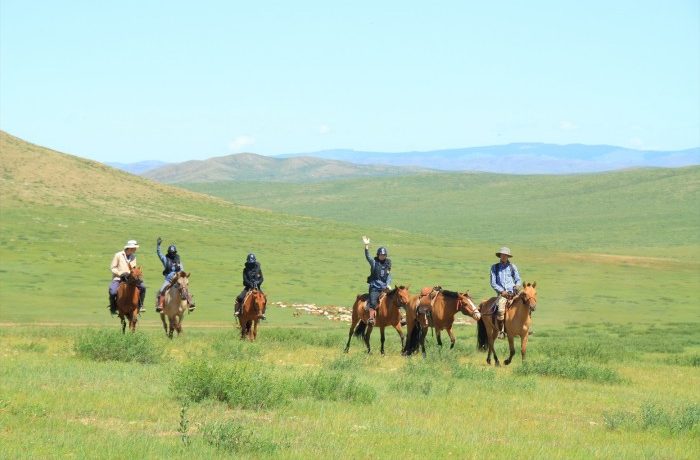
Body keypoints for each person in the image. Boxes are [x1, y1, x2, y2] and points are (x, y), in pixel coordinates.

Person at [155, 237, 195, 312]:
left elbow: (182, 269)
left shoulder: (178, 260)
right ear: (168, 252)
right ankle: (160, 305)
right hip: (169, 280)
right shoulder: (165, 259)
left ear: (175, 253)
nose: (172, 254)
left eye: (173, 253)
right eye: (171, 253)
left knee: (184, 287)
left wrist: (183, 276)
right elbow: (159, 254)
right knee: (161, 290)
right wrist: (158, 246)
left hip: (177, 279)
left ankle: (190, 303)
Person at [490, 246, 522, 338]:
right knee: (500, 310)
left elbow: (517, 279)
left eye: (505, 255)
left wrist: (517, 286)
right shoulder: (494, 268)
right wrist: (501, 291)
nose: (503, 256)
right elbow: (493, 283)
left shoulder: (512, 267)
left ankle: (526, 328)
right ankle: (502, 331)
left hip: (513, 292)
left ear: (508, 256)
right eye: (502, 255)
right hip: (502, 294)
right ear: (500, 256)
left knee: (526, 302)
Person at [108, 240, 146, 314]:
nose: (135, 250)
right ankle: (113, 308)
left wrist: (135, 274)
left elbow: (133, 269)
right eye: (135, 248)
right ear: (130, 248)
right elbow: (113, 268)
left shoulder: (133, 257)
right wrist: (120, 273)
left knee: (143, 287)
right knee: (112, 291)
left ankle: (140, 305)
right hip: (118, 278)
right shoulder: (118, 255)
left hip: (130, 279)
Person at [362, 235, 392, 325]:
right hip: (374, 287)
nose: (382, 256)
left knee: (395, 299)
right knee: (373, 302)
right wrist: (366, 246)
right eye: (381, 255)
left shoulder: (388, 264)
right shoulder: (374, 262)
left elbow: (389, 275)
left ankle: (399, 317)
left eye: (384, 255)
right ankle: (371, 318)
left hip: (384, 287)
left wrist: (388, 284)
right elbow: (368, 257)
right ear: (378, 255)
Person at [234, 253, 265, 319]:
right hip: (248, 287)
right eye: (250, 263)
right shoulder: (245, 270)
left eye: (252, 263)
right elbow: (245, 279)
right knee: (239, 297)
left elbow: (262, 278)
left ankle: (262, 313)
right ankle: (238, 311)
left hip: (257, 287)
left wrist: (258, 282)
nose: (251, 264)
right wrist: (250, 284)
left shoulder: (258, 269)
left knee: (264, 298)